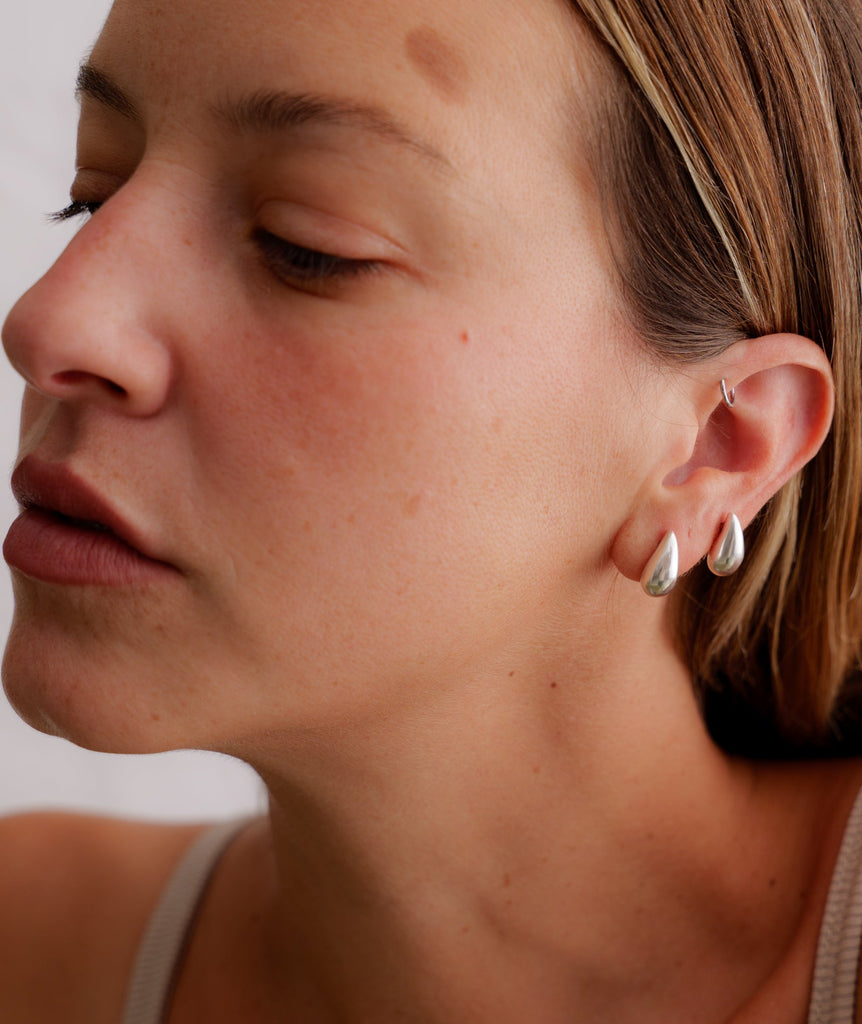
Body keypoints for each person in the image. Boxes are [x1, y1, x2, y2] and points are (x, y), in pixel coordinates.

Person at [0, 0, 861, 1020]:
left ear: (716, 448)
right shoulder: (35, 952)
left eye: (305, 244)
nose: (50, 319)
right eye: (93, 195)